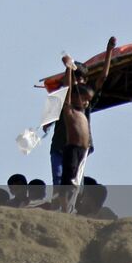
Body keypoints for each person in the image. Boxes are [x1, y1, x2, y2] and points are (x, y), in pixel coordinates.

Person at [44, 38, 117, 185]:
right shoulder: (62, 97)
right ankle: (60, 206)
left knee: (73, 183)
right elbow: (65, 90)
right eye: (73, 79)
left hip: (80, 146)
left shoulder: (86, 99)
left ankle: (69, 206)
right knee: (58, 180)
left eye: (80, 80)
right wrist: (47, 124)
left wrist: (109, 50)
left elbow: (102, 78)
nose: (76, 83)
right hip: (59, 145)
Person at [59, 88, 91, 187]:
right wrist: (69, 72)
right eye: (84, 99)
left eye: (87, 100)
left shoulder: (83, 113)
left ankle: (72, 200)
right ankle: (63, 199)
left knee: (77, 180)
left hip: (83, 151)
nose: (86, 102)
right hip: (73, 148)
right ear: (74, 98)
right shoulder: (70, 111)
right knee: (68, 180)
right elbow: (67, 90)